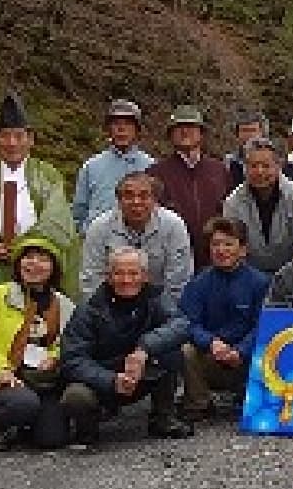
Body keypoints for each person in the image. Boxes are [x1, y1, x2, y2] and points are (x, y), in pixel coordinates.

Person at [60, 246, 195, 445]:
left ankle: (163, 417)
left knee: (172, 350)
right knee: (76, 396)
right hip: (103, 378)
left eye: (133, 273)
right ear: (108, 277)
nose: (126, 280)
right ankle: (87, 430)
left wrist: (144, 349)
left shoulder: (156, 297)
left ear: (145, 276)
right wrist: (111, 380)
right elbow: (72, 360)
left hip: (141, 373)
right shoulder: (88, 309)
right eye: (119, 273)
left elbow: (181, 325)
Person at [0, 92, 77, 295]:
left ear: (31, 140)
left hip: (35, 261)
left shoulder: (48, 176)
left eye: (19, 136)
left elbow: (56, 221)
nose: (12, 143)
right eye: (5, 136)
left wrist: (24, 246)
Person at [0, 235, 76, 450]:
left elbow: (70, 342)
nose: (34, 264)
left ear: (54, 267)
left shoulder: (64, 305)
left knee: (52, 439)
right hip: (3, 379)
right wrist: (0, 369)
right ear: (18, 263)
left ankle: (24, 425)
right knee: (23, 404)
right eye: (28, 257)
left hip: (42, 380)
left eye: (43, 259)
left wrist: (54, 357)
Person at [179, 217, 270, 421]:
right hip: (212, 355)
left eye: (228, 244)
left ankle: (251, 398)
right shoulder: (198, 282)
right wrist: (211, 342)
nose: (221, 250)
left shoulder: (261, 283)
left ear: (243, 249)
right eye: (216, 244)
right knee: (186, 350)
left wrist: (241, 350)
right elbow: (187, 322)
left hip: (247, 360)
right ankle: (198, 404)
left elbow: (263, 325)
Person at [79, 171, 193, 307]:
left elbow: (178, 281)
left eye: (144, 196)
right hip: (111, 304)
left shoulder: (174, 226)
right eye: (128, 196)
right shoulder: (99, 228)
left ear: (155, 200)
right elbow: (91, 279)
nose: (136, 202)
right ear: (119, 201)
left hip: (160, 304)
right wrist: (101, 313)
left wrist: (162, 313)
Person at [149, 104, 232, 271]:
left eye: (191, 127)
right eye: (179, 127)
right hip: (173, 258)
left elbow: (229, 211)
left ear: (201, 133)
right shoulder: (156, 173)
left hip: (215, 257)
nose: (185, 131)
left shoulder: (219, 169)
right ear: (170, 135)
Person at [221, 137, 293, 275]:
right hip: (248, 276)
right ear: (244, 168)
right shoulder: (233, 202)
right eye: (253, 166)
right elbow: (232, 247)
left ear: (278, 166)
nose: (259, 172)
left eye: (266, 166)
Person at [71, 99, 154, 233]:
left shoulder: (151, 166)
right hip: (99, 240)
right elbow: (78, 212)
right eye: (116, 123)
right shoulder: (91, 166)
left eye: (128, 124)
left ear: (137, 130)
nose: (121, 129)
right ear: (109, 129)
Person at [224, 110, 267, 188]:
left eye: (253, 130)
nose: (249, 135)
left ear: (262, 133)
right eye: (244, 131)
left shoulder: (274, 162)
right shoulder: (228, 164)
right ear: (237, 135)